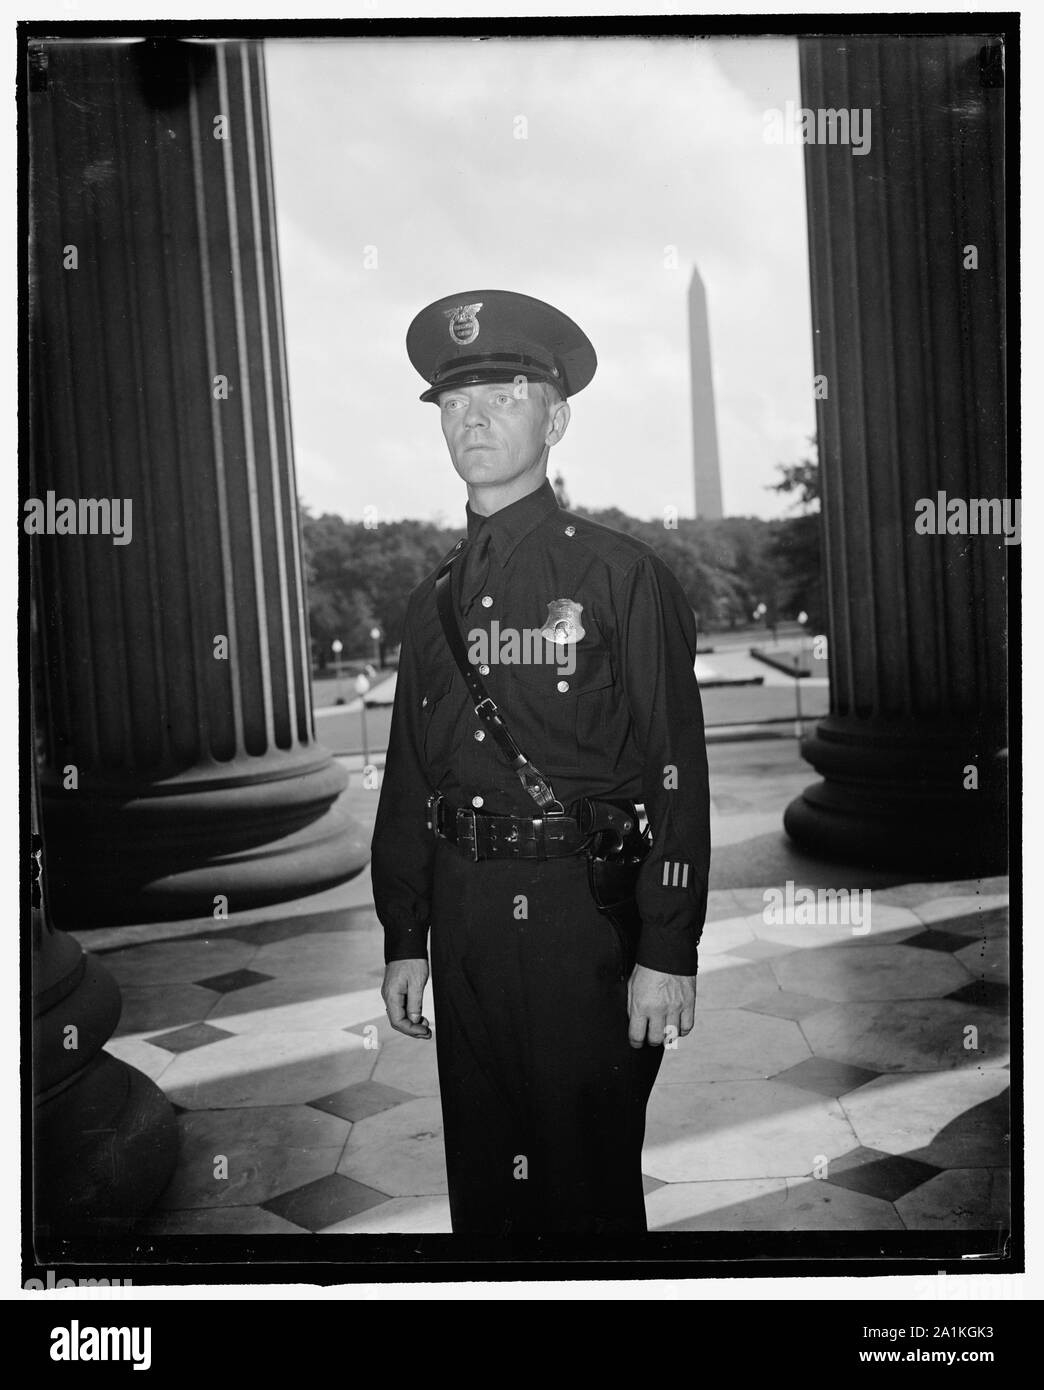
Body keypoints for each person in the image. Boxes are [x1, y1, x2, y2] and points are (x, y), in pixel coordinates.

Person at [371, 289, 710, 1234]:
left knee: (585, 1191)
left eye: (506, 394)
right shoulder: (431, 600)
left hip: (580, 919)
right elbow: (409, 776)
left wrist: (667, 948)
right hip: (464, 914)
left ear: (555, 418)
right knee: (488, 1194)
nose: (472, 416)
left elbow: (676, 770)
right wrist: (405, 929)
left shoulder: (619, 575)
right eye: (452, 401)